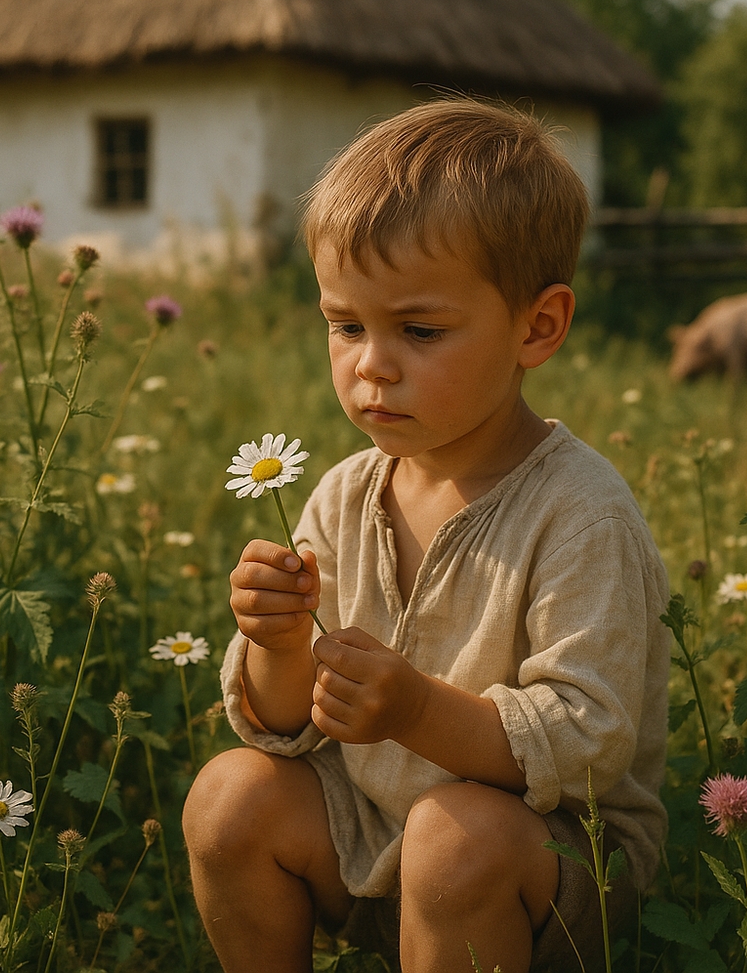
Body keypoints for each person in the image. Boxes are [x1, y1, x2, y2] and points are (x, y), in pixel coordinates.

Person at [183, 99, 671, 973]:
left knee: (455, 838)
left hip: (539, 871)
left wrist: (413, 709)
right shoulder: (340, 496)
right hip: (373, 836)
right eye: (346, 325)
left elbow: (591, 742)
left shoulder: (577, 511)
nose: (371, 362)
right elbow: (285, 728)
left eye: (418, 329)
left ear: (538, 327)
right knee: (229, 798)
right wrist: (278, 644)